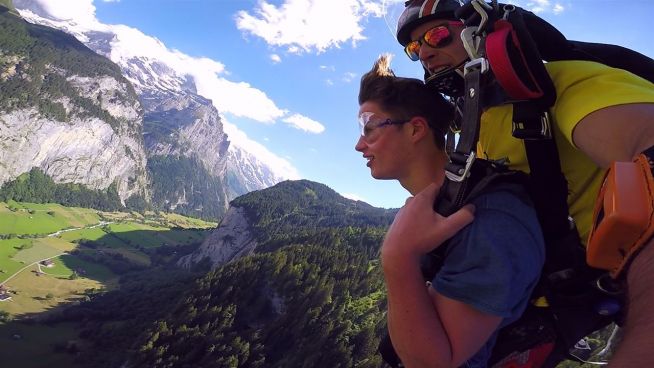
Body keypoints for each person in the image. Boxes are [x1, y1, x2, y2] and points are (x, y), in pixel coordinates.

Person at [393, 0, 654, 366]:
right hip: (521, 298)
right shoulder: (478, 118)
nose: (426, 54)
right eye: (415, 48)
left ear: (475, 32)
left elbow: (646, 150)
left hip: (569, 296)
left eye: (436, 35)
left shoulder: (556, 83)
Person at [355, 54, 545, 367]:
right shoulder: (442, 207)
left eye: (370, 128)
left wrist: (398, 259)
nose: (360, 145)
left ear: (416, 130)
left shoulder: (492, 219)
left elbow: (432, 363)